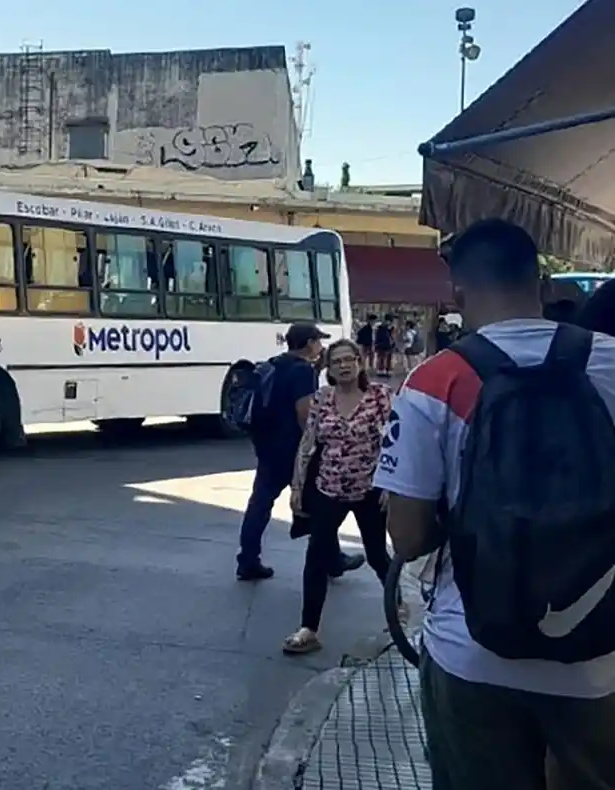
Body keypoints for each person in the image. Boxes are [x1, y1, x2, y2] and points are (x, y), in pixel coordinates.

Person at [375, 218, 615, 789]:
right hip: (600, 653)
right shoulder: (610, 361)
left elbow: (406, 537)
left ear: (458, 292)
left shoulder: (435, 380)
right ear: (540, 279)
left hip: (471, 650)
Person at [283, 338, 395, 654]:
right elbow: (308, 443)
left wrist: (391, 484)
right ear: (328, 369)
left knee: (377, 555)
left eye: (349, 360)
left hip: (370, 489)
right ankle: (309, 628)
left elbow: (396, 442)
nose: (344, 366)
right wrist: (296, 486)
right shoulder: (321, 399)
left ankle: (399, 614)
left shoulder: (380, 397)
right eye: (337, 362)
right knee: (316, 556)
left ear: (360, 363)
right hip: (328, 487)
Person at [236, 322, 364, 581]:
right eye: (318, 341)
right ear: (309, 344)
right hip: (292, 448)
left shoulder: (274, 364)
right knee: (321, 505)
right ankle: (332, 560)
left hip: (268, 446)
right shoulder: (302, 372)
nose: (320, 346)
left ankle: (248, 559)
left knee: (260, 503)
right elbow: (304, 413)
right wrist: (317, 445)